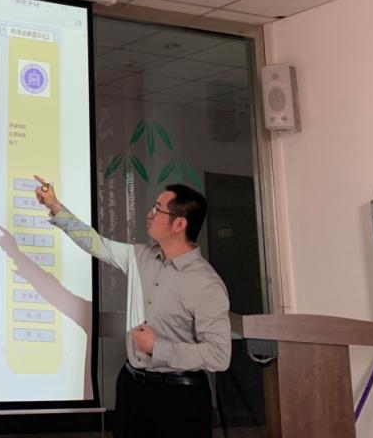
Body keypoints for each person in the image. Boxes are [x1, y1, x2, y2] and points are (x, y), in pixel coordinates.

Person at [34, 175, 230, 438]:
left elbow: (219, 354)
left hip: (180, 398)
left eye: (157, 209)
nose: (149, 214)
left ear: (179, 224)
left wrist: (158, 348)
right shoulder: (140, 256)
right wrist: (55, 206)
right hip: (132, 388)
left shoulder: (206, 284)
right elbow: (96, 243)